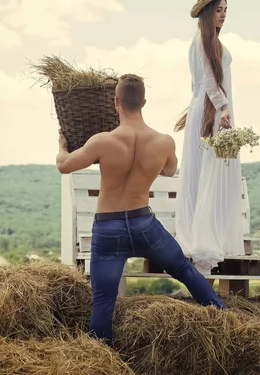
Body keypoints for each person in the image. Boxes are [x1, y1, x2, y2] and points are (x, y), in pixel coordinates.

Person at [56, 74, 224, 346]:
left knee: (103, 299)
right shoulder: (164, 142)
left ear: (115, 102)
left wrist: (62, 147)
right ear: (144, 102)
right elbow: (169, 170)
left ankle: (101, 354)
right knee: (184, 269)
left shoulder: (101, 141)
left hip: (108, 229)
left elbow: (64, 166)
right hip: (143, 225)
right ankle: (224, 318)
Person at [175, 0, 245, 274]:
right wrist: (223, 106)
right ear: (207, 13)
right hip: (212, 113)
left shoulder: (212, 42)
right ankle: (203, 243)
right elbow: (207, 80)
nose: (224, 15)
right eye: (219, 10)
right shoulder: (201, 41)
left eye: (226, 10)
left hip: (215, 113)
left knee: (216, 173)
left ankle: (213, 237)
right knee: (207, 174)